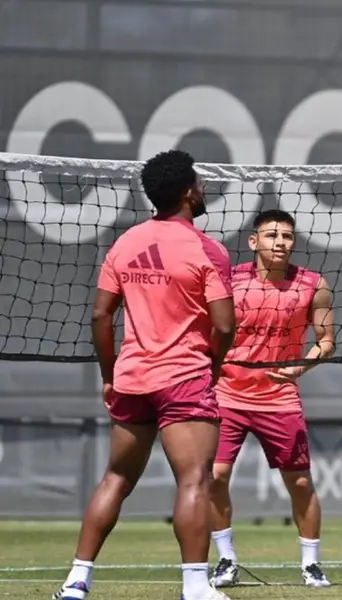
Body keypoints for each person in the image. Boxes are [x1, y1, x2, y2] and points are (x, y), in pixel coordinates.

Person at [54, 149, 235, 600]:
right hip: (184, 377)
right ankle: (196, 586)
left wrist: (109, 375)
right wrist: (212, 367)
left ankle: (77, 580)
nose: (204, 187)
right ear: (189, 192)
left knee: (115, 478)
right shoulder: (208, 250)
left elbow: (101, 316)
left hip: (132, 379)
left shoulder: (126, 242)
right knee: (194, 480)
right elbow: (225, 325)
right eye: (200, 182)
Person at [205, 209, 335, 589]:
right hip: (227, 393)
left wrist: (300, 367)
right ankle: (226, 560)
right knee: (214, 476)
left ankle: (311, 564)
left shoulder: (313, 284)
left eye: (287, 236)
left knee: (300, 483)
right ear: (253, 241)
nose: (280, 242)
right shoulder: (228, 281)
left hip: (279, 397)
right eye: (271, 235)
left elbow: (327, 342)